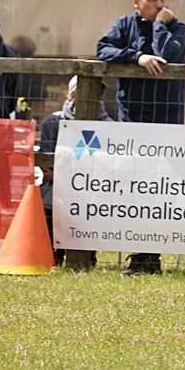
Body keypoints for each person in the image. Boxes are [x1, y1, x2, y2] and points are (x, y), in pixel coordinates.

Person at [96, 0, 185, 274]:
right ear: (137, 1)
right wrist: (137, 56)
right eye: (153, 0)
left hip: (167, 118)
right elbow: (103, 50)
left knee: (161, 189)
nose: (160, 5)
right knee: (135, 186)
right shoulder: (124, 24)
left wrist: (160, 24)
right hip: (132, 117)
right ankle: (140, 256)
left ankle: (152, 256)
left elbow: (171, 53)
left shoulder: (177, 28)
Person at [39, 76, 112, 264]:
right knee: (50, 200)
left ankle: (87, 256)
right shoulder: (55, 121)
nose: (93, 96)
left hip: (92, 188)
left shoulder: (109, 126)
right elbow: (46, 163)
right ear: (72, 94)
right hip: (57, 186)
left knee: (90, 202)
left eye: (98, 92)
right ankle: (52, 255)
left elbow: (107, 166)